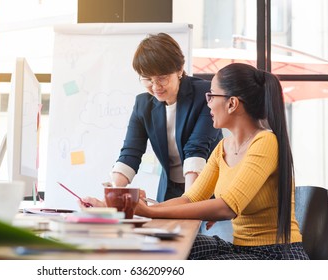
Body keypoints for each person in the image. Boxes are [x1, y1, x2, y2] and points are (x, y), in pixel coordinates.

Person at [134, 63, 309, 260]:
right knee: (169, 243)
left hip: (275, 255)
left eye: (211, 96)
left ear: (232, 103)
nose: (207, 103)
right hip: (242, 249)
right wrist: (142, 208)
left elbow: (227, 208)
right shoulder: (222, 148)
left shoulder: (265, 142)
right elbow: (190, 198)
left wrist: (150, 212)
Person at [82, 33, 222, 206]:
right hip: (170, 190)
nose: (155, 87)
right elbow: (130, 153)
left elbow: (197, 148)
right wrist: (108, 200)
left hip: (211, 188)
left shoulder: (204, 94)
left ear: (179, 70)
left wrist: (189, 203)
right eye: (147, 79)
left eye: (162, 78)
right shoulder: (143, 104)